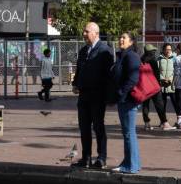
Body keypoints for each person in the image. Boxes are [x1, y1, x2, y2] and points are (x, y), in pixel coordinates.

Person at [72, 22, 114, 169]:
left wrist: (108, 96)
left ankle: (101, 158)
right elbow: (79, 69)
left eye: (86, 31)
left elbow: (109, 76)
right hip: (83, 95)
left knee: (98, 126)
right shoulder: (83, 50)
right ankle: (86, 158)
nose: (84, 34)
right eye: (84, 31)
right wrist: (76, 84)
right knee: (84, 127)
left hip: (97, 96)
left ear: (95, 33)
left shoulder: (105, 51)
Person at [111, 32, 141, 174]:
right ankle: (130, 162)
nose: (121, 39)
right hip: (124, 100)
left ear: (131, 42)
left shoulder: (131, 56)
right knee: (128, 133)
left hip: (128, 100)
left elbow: (133, 78)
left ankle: (131, 166)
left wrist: (121, 93)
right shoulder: (123, 55)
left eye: (124, 38)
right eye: (120, 37)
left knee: (129, 133)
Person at [140, 44, 170, 130]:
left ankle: (147, 123)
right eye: (153, 51)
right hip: (154, 86)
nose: (154, 52)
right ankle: (164, 123)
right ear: (151, 52)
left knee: (145, 105)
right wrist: (160, 83)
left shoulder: (141, 60)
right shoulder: (153, 60)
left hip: (144, 86)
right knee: (159, 104)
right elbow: (156, 74)